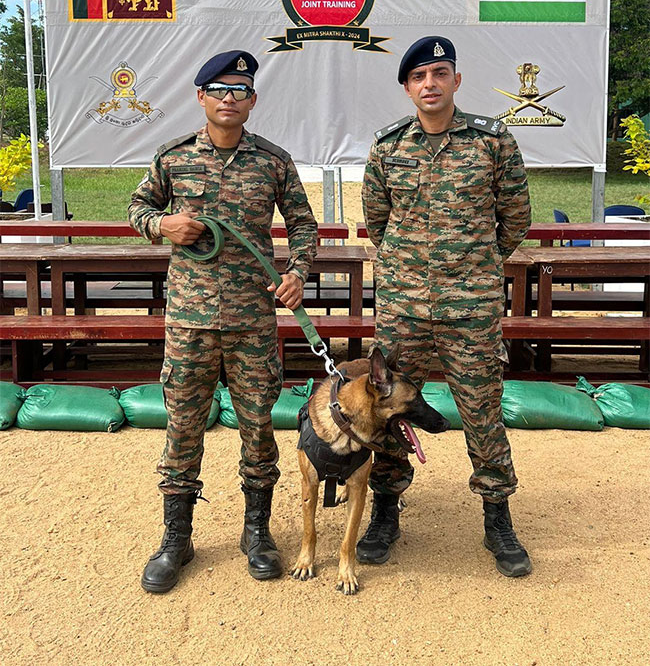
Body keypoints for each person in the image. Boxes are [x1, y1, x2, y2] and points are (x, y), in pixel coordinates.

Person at [128, 49, 318, 592]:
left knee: (257, 428)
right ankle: (176, 539)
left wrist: (298, 272)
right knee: (184, 428)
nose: (229, 98)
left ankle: (256, 534)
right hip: (189, 319)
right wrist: (163, 224)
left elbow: (304, 226)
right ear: (201, 98)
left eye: (240, 89)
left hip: (252, 321)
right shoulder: (173, 157)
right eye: (219, 89)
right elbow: (137, 208)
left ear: (253, 100)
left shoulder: (273, 161)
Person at [360, 36, 532, 577]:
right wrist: (413, 272)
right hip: (403, 308)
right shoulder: (388, 147)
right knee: (386, 409)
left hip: (471, 308)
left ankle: (497, 516)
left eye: (439, 73)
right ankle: (387, 507)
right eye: (418, 77)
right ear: (407, 88)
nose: (429, 84)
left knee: (481, 409)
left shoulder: (492, 142)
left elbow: (516, 218)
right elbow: (379, 224)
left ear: (456, 80)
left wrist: (475, 267)